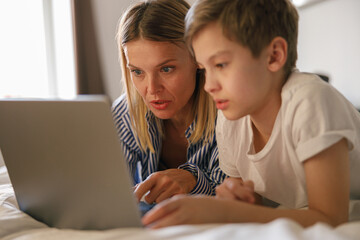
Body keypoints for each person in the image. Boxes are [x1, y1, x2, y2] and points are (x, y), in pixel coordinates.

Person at [142, 0, 360, 228]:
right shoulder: (230, 119)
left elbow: (330, 218)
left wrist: (225, 212)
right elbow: (256, 205)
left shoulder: (310, 101)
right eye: (205, 69)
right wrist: (241, 200)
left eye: (221, 65)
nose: (208, 86)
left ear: (274, 56)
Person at [112, 0, 226, 205]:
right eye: (137, 72)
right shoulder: (125, 114)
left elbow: (235, 197)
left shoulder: (227, 109)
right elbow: (111, 194)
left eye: (166, 69)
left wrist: (193, 180)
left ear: (196, 58)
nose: (152, 89)